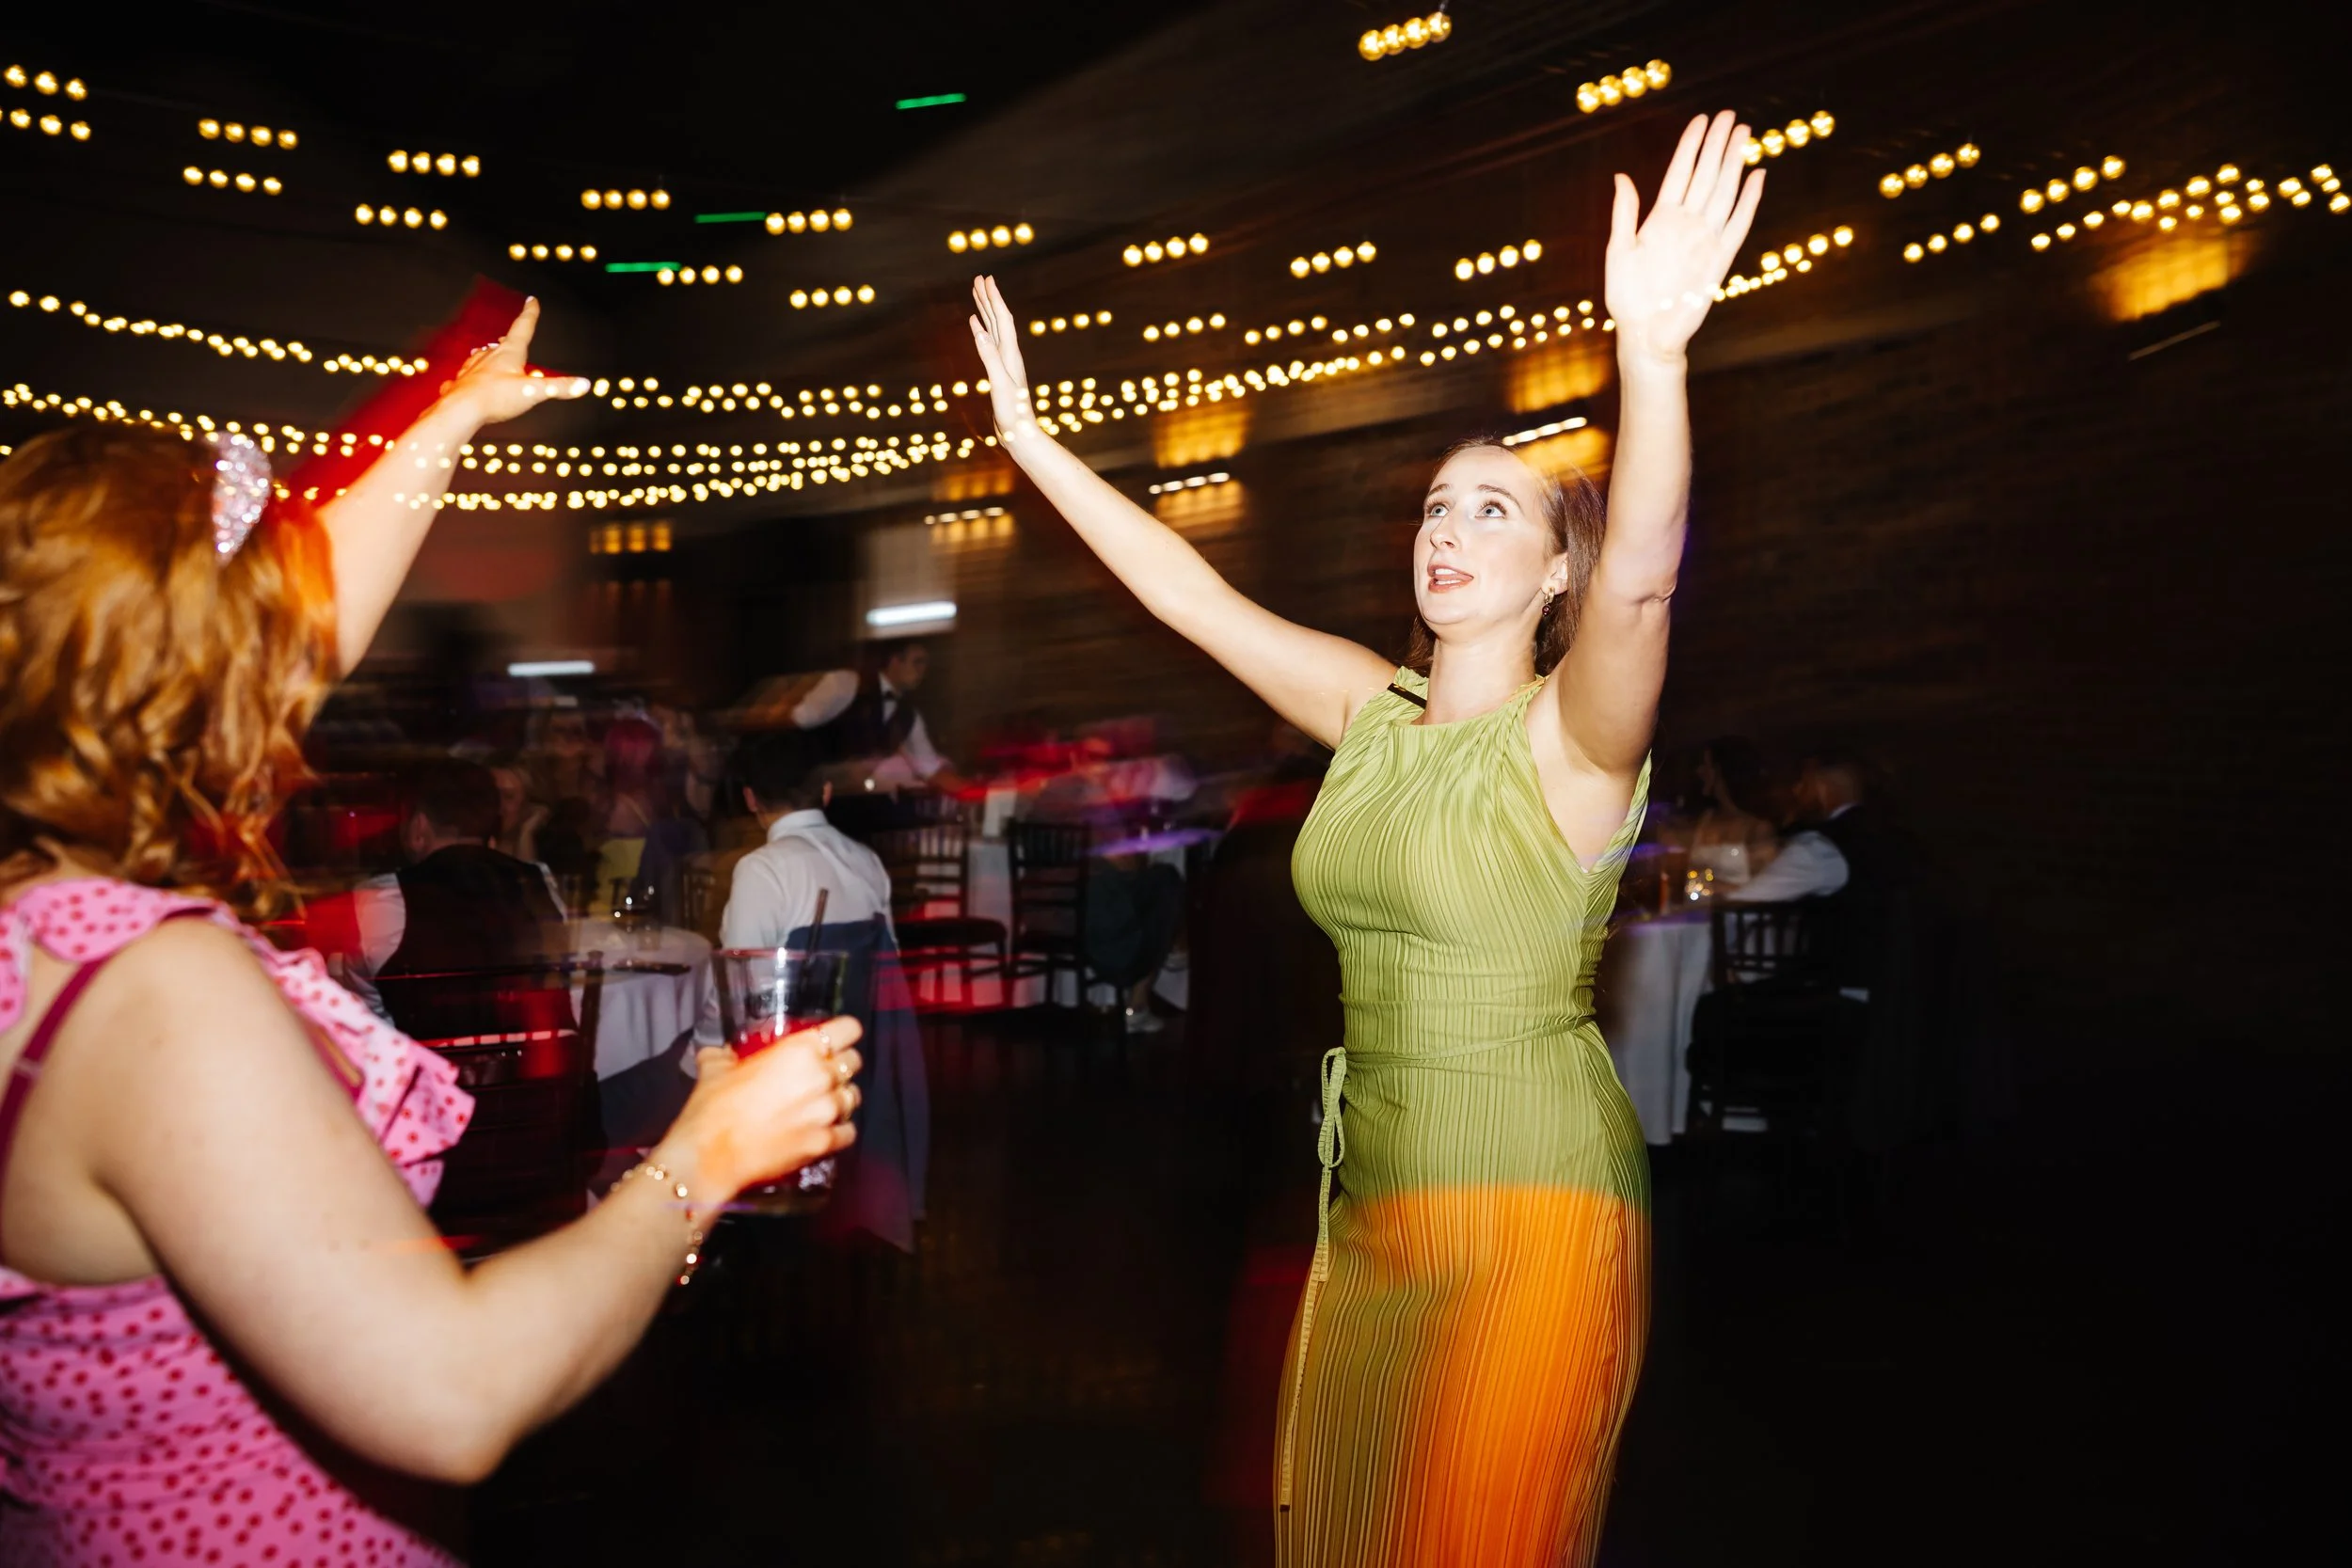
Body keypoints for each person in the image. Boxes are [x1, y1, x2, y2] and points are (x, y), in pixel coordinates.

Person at [967, 112, 1764, 1565]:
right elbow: (1189, 600)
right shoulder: (1371, 712)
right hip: (1378, 1189)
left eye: (1495, 507)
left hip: (1532, 1195)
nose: (1446, 528)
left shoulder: (1573, 742)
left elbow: (1645, 588)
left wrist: (1652, 355)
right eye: (1436, 505)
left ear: (1556, 565)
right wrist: (1034, 446)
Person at [0, 300, 863, 1565]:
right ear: (211, 669)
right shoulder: (150, 988)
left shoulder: (40, 928)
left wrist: (448, 420)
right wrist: (703, 1159)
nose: (305, 669)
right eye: (266, 632)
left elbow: (303, 620)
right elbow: (448, 1391)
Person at [715, 729, 930, 1252]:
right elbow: (889, 973)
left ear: (751, 799)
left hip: (790, 1069)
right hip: (863, 1063)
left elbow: (747, 1002)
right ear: (827, 793)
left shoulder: (763, 869)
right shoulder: (868, 861)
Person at [326, 757, 570, 1037]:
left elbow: (365, 1016)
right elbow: (557, 981)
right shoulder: (538, 882)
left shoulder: (382, 899)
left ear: (419, 829)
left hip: (434, 1075)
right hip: (536, 1075)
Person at [788, 639, 968, 798]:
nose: (922, 671)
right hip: (811, 789)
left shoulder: (909, 715)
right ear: (895, 661)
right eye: (917, 662)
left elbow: (930, 768)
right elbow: (800, 720)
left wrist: (975, 791)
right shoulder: (847, 683)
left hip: (852, 799)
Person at [1684, 734, 1779, 887]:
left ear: (1723, 770)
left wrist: (1715, 890)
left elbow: (1767, 887)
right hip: (1700, 908)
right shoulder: (1704, 819)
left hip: (1740, 910)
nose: (1699, 771)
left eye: (1706, 765)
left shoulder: (1758, 827)